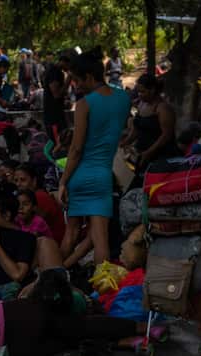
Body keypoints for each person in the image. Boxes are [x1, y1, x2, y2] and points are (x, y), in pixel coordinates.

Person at [0, 267, 148, 356]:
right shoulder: (35, 308)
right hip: (11, 322)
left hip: (17, 348)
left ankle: (128, 339)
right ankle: (139, 330)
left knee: (70, 336)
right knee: (78, 329)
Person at [60, 52, 127, 267]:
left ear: (89, 77)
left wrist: (63, 182)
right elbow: (124, 131)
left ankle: (51, 277)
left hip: (80, 175)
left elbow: (76, 149)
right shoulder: (124, 99)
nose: (76, 86)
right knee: (101, 241)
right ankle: (101, 290)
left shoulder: (84, 104)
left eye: (78, 80)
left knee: (70, 234)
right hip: (103, 176)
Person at [123, 73, 176, 184]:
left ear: (152, 90)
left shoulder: (163, 108)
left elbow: (166, 135)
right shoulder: (142, 104)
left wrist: (149, 152)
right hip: (143, 154)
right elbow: (137, 129)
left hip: (160, 155)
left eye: (142, 92)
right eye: (138, 91)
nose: (139, 95)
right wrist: (125, 142)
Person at [12, 164, 66, 244]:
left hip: (54, 245)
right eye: (16, 180)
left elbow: (34, 229)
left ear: (34, 181)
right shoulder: (26, 198)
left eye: (23, 180)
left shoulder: (39, 196)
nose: (18, 184)